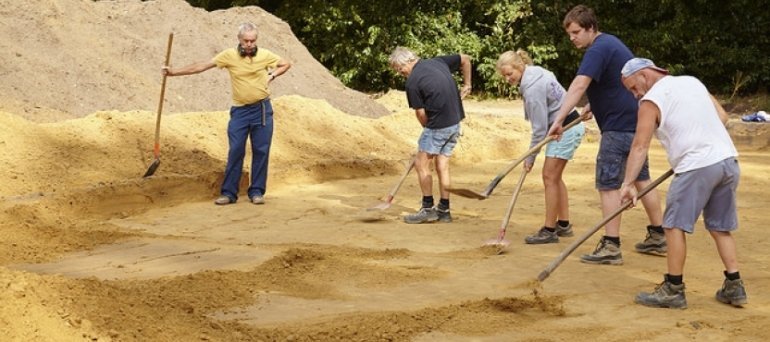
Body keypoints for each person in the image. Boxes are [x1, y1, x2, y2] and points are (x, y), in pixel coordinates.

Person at [619, 58, 746, 309]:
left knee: (673, 225)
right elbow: (722, 116)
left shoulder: (650, 101)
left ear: (645, 74)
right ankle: (735, 285)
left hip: (696, 166)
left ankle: (673, 288)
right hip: (727, 161)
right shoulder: (691, 81)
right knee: (720, 226)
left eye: (633, 87)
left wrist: (628, 183)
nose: (635, 94)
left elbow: (640, 145)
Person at [546, 4, 664, 264]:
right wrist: (594, 105)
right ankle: (659, 234)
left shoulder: (597, 49)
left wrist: (559, 119)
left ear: (590, 28)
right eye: (569, 34)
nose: (572, 38)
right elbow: (617, 82)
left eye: (576, 32)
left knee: (608, 183)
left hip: (618, 126)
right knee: (642, 179)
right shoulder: (610, 43)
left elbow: (579, 84)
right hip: (633, 121)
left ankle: (611, 245)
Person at [163, 22, 291, 205]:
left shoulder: (265, 55)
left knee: (261, 151)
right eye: (246, 40)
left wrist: (272, 75)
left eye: (252, 41)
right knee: (236, 150)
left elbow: (286, 63)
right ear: (239, 39)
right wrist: (173, 72)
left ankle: (256, 192)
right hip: (240, 111)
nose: (249, 44)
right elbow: (201, 66)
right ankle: (229, 193)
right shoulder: (228, 56)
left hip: (262, 109)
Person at [495, 50, 585, 244]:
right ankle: (563, 224)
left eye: (509, 74)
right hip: (568, 126)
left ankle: (549, 230)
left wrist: (530, 157)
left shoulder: (532, 88)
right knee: (555, 176)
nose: (507, 79)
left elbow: (539, 129)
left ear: (520, 67)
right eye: (504, 76)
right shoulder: (535, 72)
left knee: (549, 177)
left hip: (566, 129)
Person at [388, 47, 471, 224]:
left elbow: (420, 114)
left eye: (398, 68)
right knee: (442, 165)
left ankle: (427, 209)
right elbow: (465, 59)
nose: (399, 72)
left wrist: (428, 132)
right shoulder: (438, 62)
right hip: (455, 122)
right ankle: (444, 210)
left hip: (439, 125)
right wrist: (468, 84)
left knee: (421, 163)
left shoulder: (412, 82)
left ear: (406, 62)